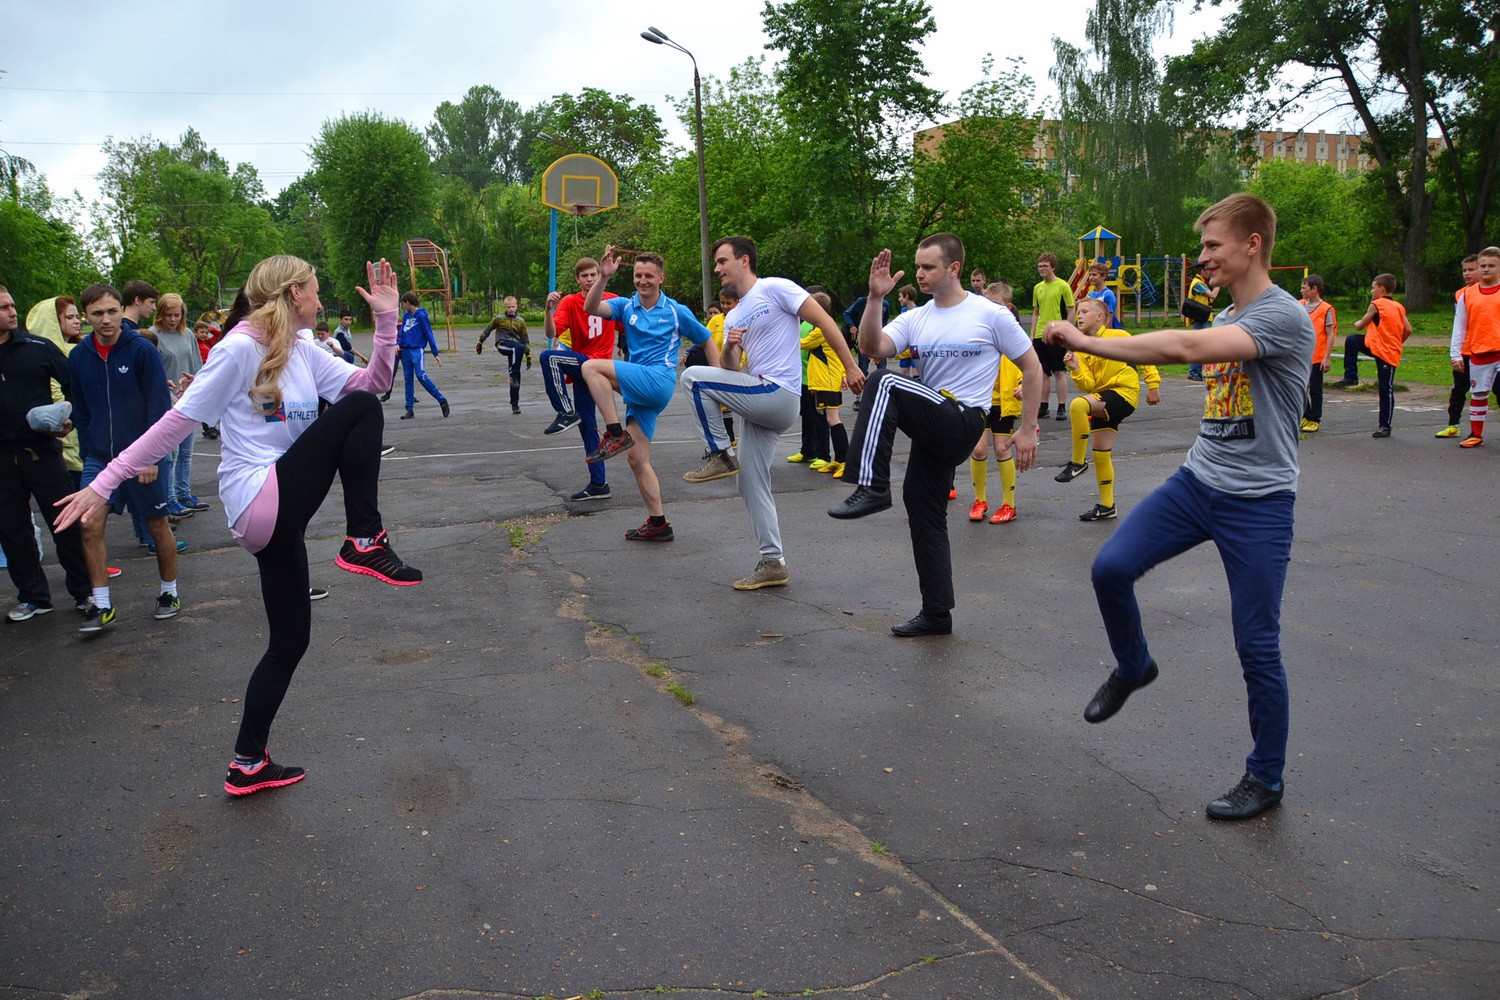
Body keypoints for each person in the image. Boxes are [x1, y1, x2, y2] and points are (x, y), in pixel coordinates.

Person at [55, 256, 421, 797]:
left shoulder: (302, 350)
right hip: (258, 497)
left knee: (290, 642)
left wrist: (387, 321)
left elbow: (375, 381)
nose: (321, 301)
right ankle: (364, 539)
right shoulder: (237, 349)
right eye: (315, 291)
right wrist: (104, 482)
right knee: (361, 410)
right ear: (294, 294)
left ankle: (247, 761)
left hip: (278, 513)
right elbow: (175, 423)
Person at [1044, 192, 1315, 821]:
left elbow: (1185, 350)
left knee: (1257, 645)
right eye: (1202, 246)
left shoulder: (1282, 316)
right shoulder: (1228, 310)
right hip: (1197, 483)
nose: (1203, 257)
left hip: (1259, 503)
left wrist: (1086, 339)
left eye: (1213, 245)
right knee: (1110, 569)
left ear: (1253, 244)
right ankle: (1134, 664)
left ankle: (1265, 778)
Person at [828, 234, 1043, 637]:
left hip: (964, 418)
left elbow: (1033, 367)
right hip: (934, 424)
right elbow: (873, 346)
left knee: (884, 383)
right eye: (918, 266)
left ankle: (872, 486)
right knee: (925, 513)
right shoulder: (917, 317)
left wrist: (1028, 428)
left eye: (928, 267)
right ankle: (937, 614)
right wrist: (875, 297)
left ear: (954, 268)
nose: (920, 274)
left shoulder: (990, 314)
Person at [679, 237, 863, 590]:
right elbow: (731, 370)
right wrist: (731, 346)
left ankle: (719, 453)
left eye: (722, 261)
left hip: (778, 393)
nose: (716, 269)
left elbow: (825, 322)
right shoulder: (734, 314)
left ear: (744, 260)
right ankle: (773, 562)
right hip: (758, 397)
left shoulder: (775, 288)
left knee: (692, 378)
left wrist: (851, 366)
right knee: (748, 481)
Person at [578, 247, 718, 542]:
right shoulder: (626, 306)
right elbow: (591, 308)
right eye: (638, 275)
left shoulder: (676, 311)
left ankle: (614, 432)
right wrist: (603, 277)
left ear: (661, 278)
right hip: (639, 386)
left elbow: (707, 340)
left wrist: (718, 382)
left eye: (649, 276)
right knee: (637, 458)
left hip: (658, 380)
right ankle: (658, 523)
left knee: (591, 367)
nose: (643, 281)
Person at [69, 284, 181, 631]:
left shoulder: (141, 350)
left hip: (144, 456)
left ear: (121, 310)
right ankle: (102, 605)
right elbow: (81, 411)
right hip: (100, 458)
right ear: (86, 316)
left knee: (156, 524)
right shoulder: (79, 356)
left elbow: (159, 408)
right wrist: (88, 452)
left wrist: (151, 457)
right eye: (97, 313)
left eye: (112, 311)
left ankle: (169, 592)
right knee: (89, 522)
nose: (106, 319)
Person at [0, 286, 92, 622]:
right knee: (13, 532)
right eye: (3, 308)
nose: (12, 312)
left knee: (65, 523)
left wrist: (69, 419)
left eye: (12, 305)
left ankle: (85, 593)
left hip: (42, 452)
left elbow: (74, 384)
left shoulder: (37, 347)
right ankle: (33, 598)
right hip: (2, 459)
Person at [1053, 297, 1161, 521]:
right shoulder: (1080, 349)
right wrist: (1075, 368)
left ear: (1100, 317)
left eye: (1085, 312)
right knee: (1101, 452)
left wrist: (1153, 385)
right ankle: (1107, 505)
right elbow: (1089, 385)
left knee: (1078, 404)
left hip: (1124, 393)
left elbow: (1144, 355)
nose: (1079, 316)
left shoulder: (1118, 336)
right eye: (1078, 312)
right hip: (1102, 398)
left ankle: (1078, 462)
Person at [539, 259, 623, 502]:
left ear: (600, 275)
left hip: (599, 367)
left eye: (593, 274)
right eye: (584, 275)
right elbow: (551, 333)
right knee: (587, 426)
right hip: (583, 367)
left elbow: (629, 327)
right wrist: (548, 310)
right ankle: (599, 484)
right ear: (577, 279)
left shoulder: (612, 299)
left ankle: (566, 412)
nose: (589, 279)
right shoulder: (570, 302)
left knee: (548, 357)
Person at [966, 281, 1026, 524]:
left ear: (1008, 307)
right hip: (980, 400)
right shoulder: (976, 332)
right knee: (978, 449)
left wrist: (1023, 384)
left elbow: (1030, 366)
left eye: (996, 305)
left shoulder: (1015, 334)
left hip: (1004, 402)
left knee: (1002, 450)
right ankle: (979, 500)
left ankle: (1008, 504)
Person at [151, 293, 210, 515]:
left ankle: (184, 493)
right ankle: (170, 499)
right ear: (161, 314)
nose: (173, 319)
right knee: (171, 454)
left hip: (188, 399)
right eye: (169, 315)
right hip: (167, 401)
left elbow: (197, 366)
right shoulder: (153, 335)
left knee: (186, 452)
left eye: (177, 315)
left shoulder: (188, 335)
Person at [1344, 274, 1412, 438]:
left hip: (1385, 352)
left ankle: (1385, 426)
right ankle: (1351, 376)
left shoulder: (1376, 304)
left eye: (1373, 287)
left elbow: (1360, 326)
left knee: (1385, 388)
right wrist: (1398, 342)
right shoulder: (1398, 306)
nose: (1372, 290)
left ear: (1381, 289)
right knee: (1353, 341)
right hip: (1378, 347)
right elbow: (1408, 329)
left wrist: (1356, 322)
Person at [1449, 245, 1500, 449]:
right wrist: (1455, 355)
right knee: (1478, 394)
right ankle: (1476, 434)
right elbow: (1459, 326)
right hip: (1478, 351)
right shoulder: (1467, 295)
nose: (1486, 269)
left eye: (1491, 265)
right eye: (1483, 265)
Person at [1437, 254, 1482, 439]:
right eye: (1465, 270)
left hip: (1488, 350)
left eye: (1472, 269)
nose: (1467, 273)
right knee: (1459, 389)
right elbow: (1459, 324)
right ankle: (1453, 425)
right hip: (1466, 349)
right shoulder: (1461, 294)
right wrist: (1455, 354)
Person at [1030, 251, 1074, 420]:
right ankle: (1044, 406)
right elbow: (1036, 313)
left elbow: (1071, 311)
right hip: (1040, 334)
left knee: (1059, 371)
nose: (1042, 269)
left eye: (1045, 266)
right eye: (1040, 266)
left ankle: (1061, 407)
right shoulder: (1037, 288)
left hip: (1057, 334)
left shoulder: (1063, 286)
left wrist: (1067, 332)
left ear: (1053, 267)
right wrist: (1032, 335)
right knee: (1042, 372)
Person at [397, 292, 449, 419]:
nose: (403, 306)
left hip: (417, 350)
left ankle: (441, 400)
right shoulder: (406, 316)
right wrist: (398, 344)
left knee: (421, 375)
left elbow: (429, 334)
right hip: (405, 351)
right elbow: (402, 333)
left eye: (404, 303)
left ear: (408, 302)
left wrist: (435, 353)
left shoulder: (421, 316)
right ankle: (409, 409)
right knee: (408, 379)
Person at [478, 296, 531, 414]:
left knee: (516, 375)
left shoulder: (520, 321)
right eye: (509, 307)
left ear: (517, 307)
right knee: (517, 351)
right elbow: (488, 329)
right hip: (502, 344)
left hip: (516, 349)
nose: (511, 309)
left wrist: (528, 357)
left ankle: (515, 404)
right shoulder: (499, 318)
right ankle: (512, 375)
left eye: (513, 306)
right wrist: (480, 342)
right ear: (505, 307)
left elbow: (524, 339)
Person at [1299, 275, 1337, 433]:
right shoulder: (1299, 305)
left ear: (1314, 289)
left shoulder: (1326, 309)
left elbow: (1330, 333)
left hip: (1316, 356)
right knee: (1299, 387)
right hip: (1299, 356)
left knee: (1315, 389)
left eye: (1304, 288)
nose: (1301, 291)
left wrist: (1327, 357)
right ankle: (1304, 415)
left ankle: (1315, 419)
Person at [1183, 269, 1217, 381]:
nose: (1209, 272)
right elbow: (1212, 295)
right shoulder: (1198, 284)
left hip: (1203, 316)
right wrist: (1218, 284)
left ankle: (1198, 371)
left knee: (1202, 345)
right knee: (1199, 345)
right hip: (1200, 318)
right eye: (1207, 270)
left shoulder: (1200, 282)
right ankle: (1194, 372)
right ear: (1202, 271)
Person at [1085, 262, 1120, 327]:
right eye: (1090, 275)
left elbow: (1109, 317)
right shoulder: (1090, 295)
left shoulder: (1108, 294)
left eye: (1094, 275)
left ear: (1103, 276)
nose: (1090, 277)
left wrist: (1104, 331)